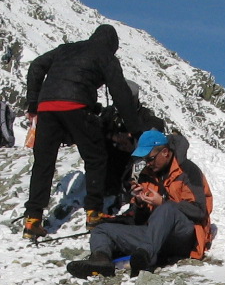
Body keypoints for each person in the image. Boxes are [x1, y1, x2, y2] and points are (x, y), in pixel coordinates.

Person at [22, 24, 144, 240]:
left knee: (43, 162)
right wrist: (136, 130)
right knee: (96, 157)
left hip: (47, 106)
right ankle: (94, 212)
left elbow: (36, 66)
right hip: (76, 106)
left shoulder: (66, 49)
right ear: (112, 46)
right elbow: (120, 93)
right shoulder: (105, 55)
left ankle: (33, 219)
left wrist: (33, 103)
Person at [66, 129, 211, 278]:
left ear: (165, 152)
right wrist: (140, 202)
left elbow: (199, 211)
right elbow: (138, 220)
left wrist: (162, 202)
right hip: (154, 237)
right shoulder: (147, 174)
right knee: (101, 229)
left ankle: (145, 257)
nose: (148, 163)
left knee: (167, 208)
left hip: (184, 236)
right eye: (145, 159)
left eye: (151, 158)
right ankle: (101, 261)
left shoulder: (188, 171)